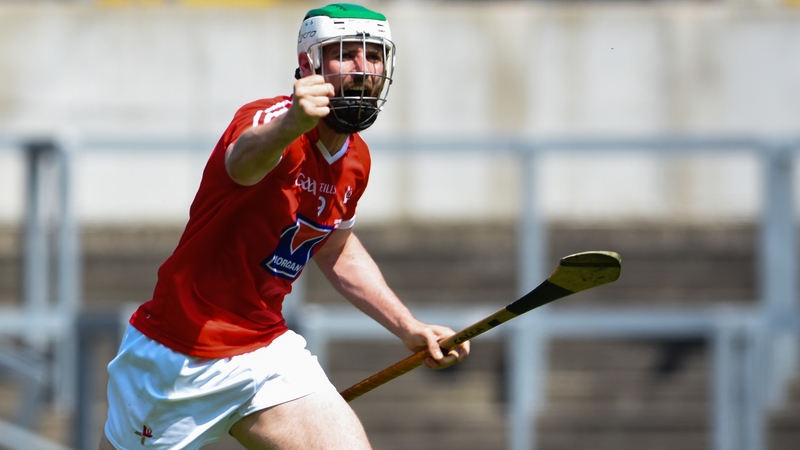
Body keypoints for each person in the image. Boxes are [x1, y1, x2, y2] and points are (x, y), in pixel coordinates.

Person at [99, 4, 469, 450]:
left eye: (373, 56)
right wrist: (291, 124)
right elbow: (242, 163)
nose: (362, 68)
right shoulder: (269, 119)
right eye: (345, 54)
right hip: (178, 353)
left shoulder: (356, 159)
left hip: (265, 350)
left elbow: (334, 247)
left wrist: (407, 325)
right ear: (308, 64)